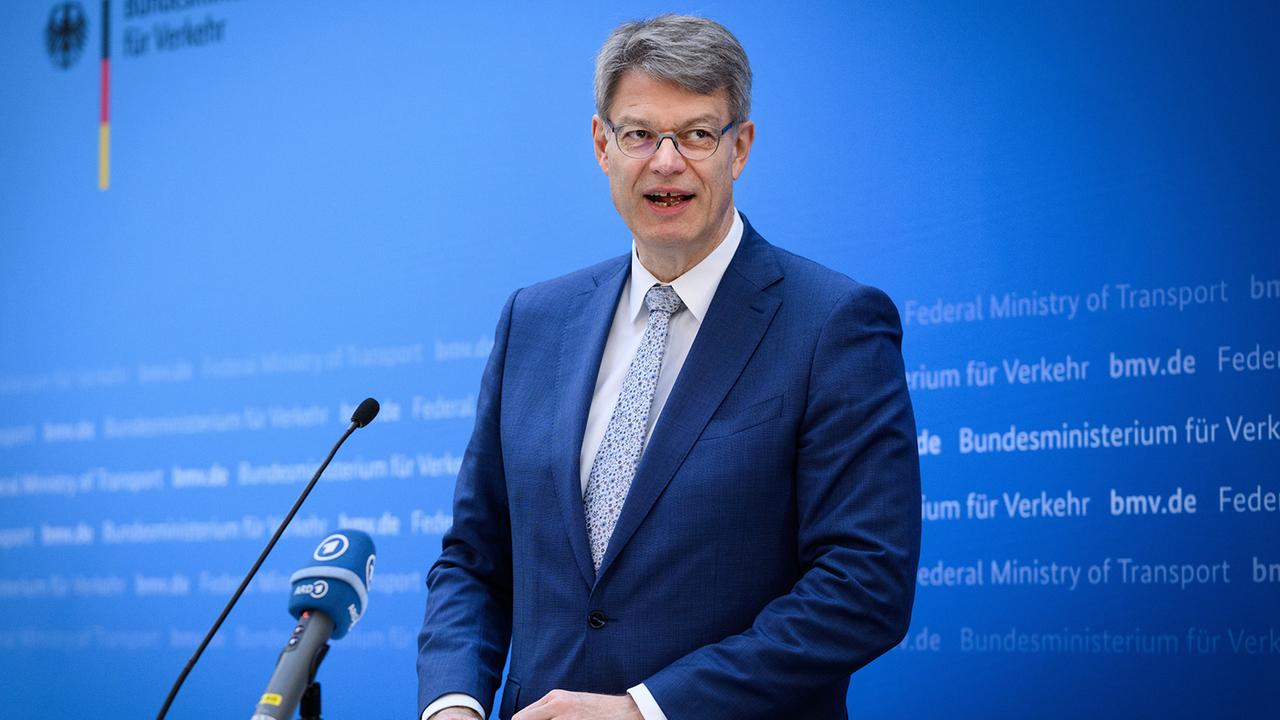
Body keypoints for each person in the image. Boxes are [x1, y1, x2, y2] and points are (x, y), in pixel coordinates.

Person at [417, 14, 920, 720]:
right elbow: (474, 559)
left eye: (697, 134)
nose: (666, 161)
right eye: (640, 134)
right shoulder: (534, 320)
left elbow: (863, 585)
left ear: (740, 148)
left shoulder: (832, 323)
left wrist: (644, 710)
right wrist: (454, 703)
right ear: (602, 145)